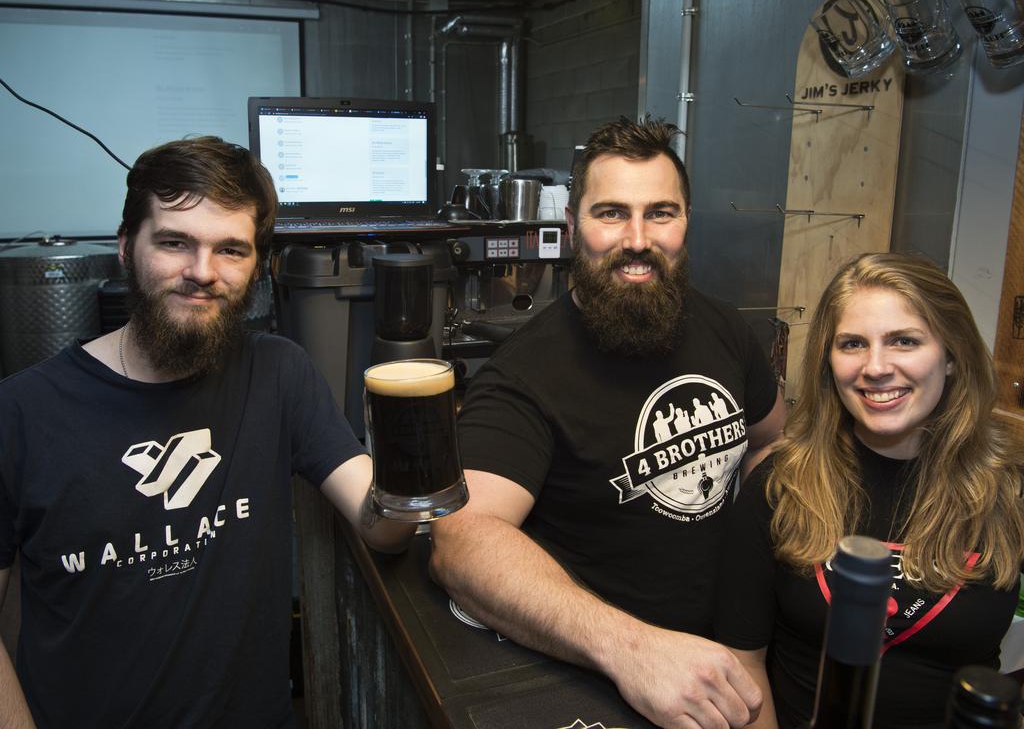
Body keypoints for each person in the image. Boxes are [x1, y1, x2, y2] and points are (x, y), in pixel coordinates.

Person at [0, 136, 415, 729]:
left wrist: (420, 458)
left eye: (231, 250)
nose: (203, 273)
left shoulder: (278, 373)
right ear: (126, 248)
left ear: (257, 266)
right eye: (175, 242)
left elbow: (382, 526)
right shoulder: (19, 414)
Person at [429, 117, 786, 729]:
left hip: (731, 655)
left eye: (661, 213)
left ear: (686, 223)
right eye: (612, 213)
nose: (638, 238)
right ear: (572, 228)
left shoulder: (725, 328)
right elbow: (462, 539)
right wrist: (633, 650)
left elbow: (774, 442)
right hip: (600, 677)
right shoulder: (526, 373)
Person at [714, 253, 1024, 729]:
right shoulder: (781, 485)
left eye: (904, 340)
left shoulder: (1008, 490)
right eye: (853, 344)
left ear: (952, 355)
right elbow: (743, 663)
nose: (875, 367)